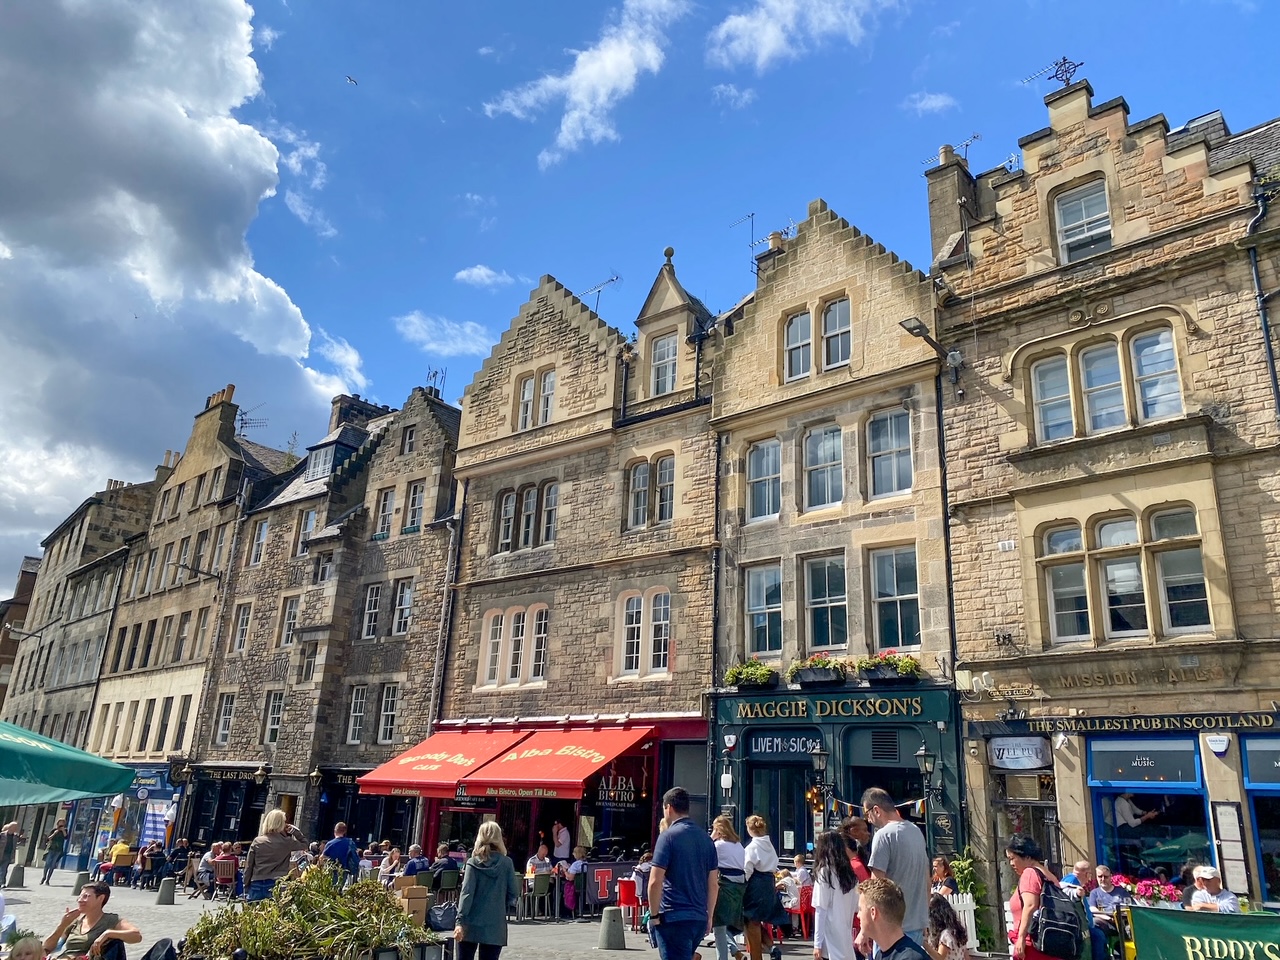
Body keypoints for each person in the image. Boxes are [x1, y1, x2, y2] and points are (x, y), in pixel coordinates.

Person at [647, 786, 719, 960]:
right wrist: (709, 916)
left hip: (673, 916)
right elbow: (714, 884)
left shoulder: (668, 837)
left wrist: (654, 915)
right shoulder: (706, 839)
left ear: (669, 807)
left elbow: (655, 881)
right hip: (698, 917)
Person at [863, 788, 930, 946]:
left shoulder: (883, 835)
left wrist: (865, 930)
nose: (868, 820)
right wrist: (923, 919)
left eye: (867, 814)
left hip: (890, 930)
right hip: (916, 926)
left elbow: (876, 887)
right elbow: (927, 883)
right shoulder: (916, 832)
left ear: (876, 810)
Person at [455, 820, 521, 960]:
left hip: (470, 922)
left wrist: (459, 921)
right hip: (495, 925)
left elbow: (466, 893)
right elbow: (514, 892)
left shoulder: (473, 863)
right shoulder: (506, 863)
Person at [41, 881, 142, 959]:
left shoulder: (110, 920)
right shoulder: (75, 921)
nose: (80, 900)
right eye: (80, 896)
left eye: (85, 896)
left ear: (101, 898)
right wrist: (62, 925)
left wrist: (108, 933)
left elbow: (136, 936)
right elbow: (47, 949)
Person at [1005, 835, 1059, 960]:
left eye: (1013, 858)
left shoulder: (1029, 873)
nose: (1011, 863)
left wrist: (1021, 939)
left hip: (1032, 943)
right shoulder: (1050, 875)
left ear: (1027, 857)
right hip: (1050, 942)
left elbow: (1030, 906)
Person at [741, 814, 783, 960]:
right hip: (769, 884)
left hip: (755, 885)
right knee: (756, 920)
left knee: (750, 922)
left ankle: (756, 957)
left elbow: (747, 869)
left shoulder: (752, 847)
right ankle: (772, 947)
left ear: (749, 829)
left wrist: (741, 885)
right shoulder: (770, 845)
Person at [855, 877, 930, 960]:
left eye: (860, 909)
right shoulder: (880, 955)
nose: (858, 915)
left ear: (873, 912)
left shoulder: (910, 957)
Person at [812, 829, 859, 960]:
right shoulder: (849, 874)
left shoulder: (824, 873)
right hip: (845, 935)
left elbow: (820, 910)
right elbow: (856, 907)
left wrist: (817, 943)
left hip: (829, 938)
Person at [244, 809, 308, 902]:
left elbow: (249, 866)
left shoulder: (257, 841)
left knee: (253, 913)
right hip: (277, 883)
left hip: (257, 882)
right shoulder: (287, 842)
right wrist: (295, 831)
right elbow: (305, 844)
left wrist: (246, 885)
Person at [710, 815, 746, 960]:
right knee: (724, 924)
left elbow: (704, 852)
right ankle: (733, 950)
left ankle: (723, 957)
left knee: (718, 925)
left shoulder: (718, 845)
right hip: (740, 885)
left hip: (725, 885)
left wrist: (712, 837)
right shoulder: (739, 845)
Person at [923, 893, 969, 960]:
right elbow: (966, 956)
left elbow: (940, 958)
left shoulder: (946, 935)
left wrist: (924, 944)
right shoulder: (956, 930)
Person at [1087, 865, 1131, 931]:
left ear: (1110, 876)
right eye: (1100, 876)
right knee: (1094, 922)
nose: (1103, 879)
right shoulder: (1094, 893)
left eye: (1106, 877)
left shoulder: (1122, 891)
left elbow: (1130, 907)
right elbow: (1092, 909)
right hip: (1106, 922)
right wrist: (1108, 918)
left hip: (1123, 922)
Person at [41, 818, 68, 885]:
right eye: (60, 822)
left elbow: (66, 837)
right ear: (58, 823)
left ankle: (48, 879)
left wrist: (63, 831)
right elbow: (48, 838)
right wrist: (55, 833)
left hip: (58, 849)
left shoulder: (65, 830)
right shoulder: (54, 830)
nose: (61, 824)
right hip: (51, 848)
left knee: (53, 865)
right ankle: (44, 877)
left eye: (63, 822)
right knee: (47, 863)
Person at [0, 822, 26, 887]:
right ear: (10, 827)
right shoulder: (2, 835)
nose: (16, 829)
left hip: (8, 854)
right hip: (1, 853)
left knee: (4, 869)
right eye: (15, 827)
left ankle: (2, 883)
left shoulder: (15, 836)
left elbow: (18, 843)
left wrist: (22, 838)